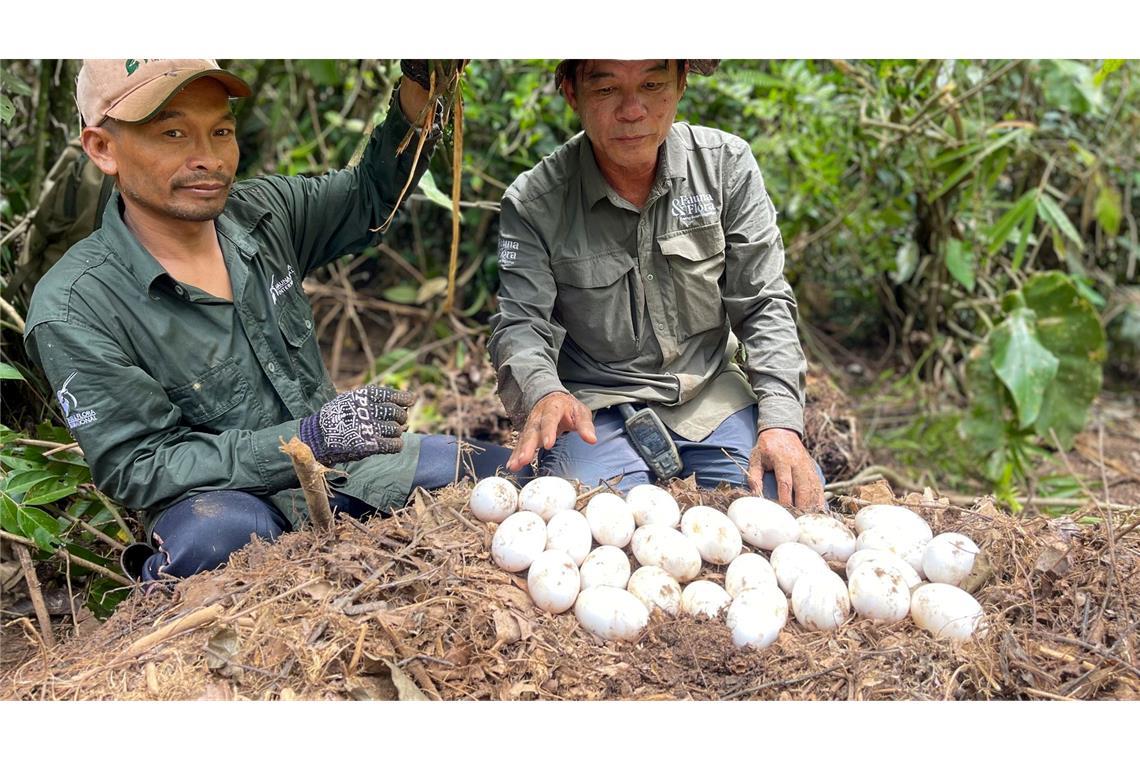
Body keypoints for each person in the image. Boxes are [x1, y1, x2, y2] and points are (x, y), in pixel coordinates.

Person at [23, 59, 518, 583]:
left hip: (350, 472)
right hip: (226, 503)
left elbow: (371, 198)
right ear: (102, 148)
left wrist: (424, 83)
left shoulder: (263, 214)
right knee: (211, 549)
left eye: (221, 131)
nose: (208, 159)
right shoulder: (75, 307)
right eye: (172, 133)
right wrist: (307, 438)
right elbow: (140, 466)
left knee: (509, 480)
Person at [488, 59, 825, 511]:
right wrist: (545, 393)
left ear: (681, 84)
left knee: (784, 509)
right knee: (579, 523)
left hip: (713, 397)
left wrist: (781, 424)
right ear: (572, 93)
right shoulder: (535, 203)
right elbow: (520, 324)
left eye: (652, 84)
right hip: (596, 411)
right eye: (606, 90)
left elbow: (763, 303)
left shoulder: (726, 167)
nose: (632, 110)